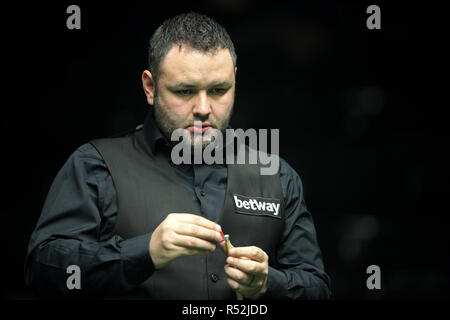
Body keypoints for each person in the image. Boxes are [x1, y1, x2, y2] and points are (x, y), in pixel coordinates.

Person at [24, 12, 331, 300]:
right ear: (150, 87)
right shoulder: (96, 166)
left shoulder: (276, 176)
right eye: (184, 91)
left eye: (218, 90)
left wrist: (268, 283)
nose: (203, 108)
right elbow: (42, 269)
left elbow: (316, 287)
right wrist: (145, 251)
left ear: (235, 81)